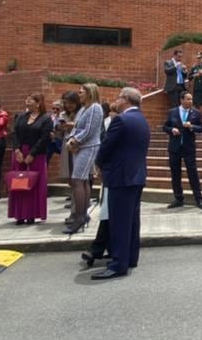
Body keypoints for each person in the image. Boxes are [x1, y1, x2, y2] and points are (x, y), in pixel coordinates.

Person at [92, 86, 150, 279]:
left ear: (126, 99)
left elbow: (107, 147)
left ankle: (118, 263)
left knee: (119, 222)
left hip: (121, 177)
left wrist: (98, 164)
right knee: (132, 221)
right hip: (136, 176)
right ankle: (130, 257)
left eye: (118, 97)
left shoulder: (121, 121)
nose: (116, 101)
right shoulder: (142, 120)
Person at [63, 83, 104, 234]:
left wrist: (74, 141)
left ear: (90, 93)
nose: (79, 94)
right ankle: (82, 215)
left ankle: (79, 217)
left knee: (77, 180)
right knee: (83, 180)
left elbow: (89, 130)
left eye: (81, 92)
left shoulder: (95, 108)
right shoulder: (83, 109)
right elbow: (76, 128)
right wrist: (71, 138)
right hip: (79, 148)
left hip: (89, 147)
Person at [79, 101, 114, 269]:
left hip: (115, 174)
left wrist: (99, 164)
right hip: (109, 173)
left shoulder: (118, 124)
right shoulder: (106, 124)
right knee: (107, 213)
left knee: (108, 214)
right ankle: (103, 248)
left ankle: (97, 249)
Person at [8, 93, 52, 225]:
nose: (27, 102)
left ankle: (32, 214)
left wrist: (32, 154)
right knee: (19, 183)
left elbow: (44, 138)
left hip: (36, 155)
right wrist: (17, 150)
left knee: (33, 184)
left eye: (30, 100)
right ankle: (19, 215)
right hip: (20, 154)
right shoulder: (21, 117)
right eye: (26, 100)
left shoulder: (45, 119)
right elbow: (14, 133)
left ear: (38, 103)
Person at [163, 89, 202, 208]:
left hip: (188, 147)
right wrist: (171, 130)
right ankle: (178, 198)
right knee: (175, 173)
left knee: (193, 173)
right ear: (181, 100)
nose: (190, 101)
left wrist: (192, 127)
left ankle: (199, 199)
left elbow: (201, 128)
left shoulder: (196, 113)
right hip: (175, 147)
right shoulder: (172, 112)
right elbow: (165, 126)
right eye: (188, 99)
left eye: (191, 99)